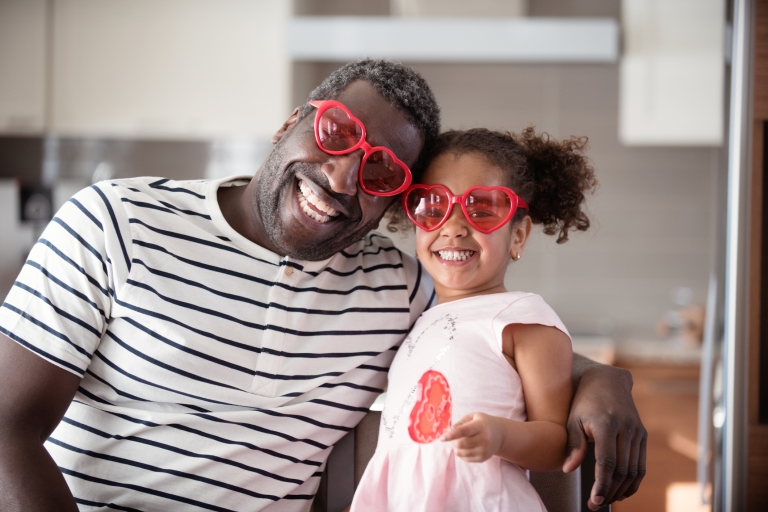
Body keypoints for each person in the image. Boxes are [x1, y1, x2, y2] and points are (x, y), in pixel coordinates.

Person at [0, 59, 645, 512]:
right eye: (337, 133)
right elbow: (7, 426)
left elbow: (490, 336)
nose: (342, 179)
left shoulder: (395, 287)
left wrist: (604, 380)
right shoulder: (115, 220)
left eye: (382, 172)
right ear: (292, 121)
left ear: (392, 202)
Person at [351, 127, 596, 511]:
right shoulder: (417, 318)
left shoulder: (523, 319)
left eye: (482, 210)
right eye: (433, 207)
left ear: (518, 236)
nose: (453, 227)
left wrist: (500, 436)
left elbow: (556, 443)